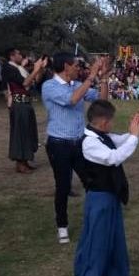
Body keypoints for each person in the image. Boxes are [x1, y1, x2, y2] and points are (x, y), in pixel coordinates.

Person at [73, 100, 139, 276]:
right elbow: (114, 157)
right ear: (103, 122)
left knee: (115, 238)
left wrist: (135, 132)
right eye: (111, 120)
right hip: (99, 198)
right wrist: (132, 137)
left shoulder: (102, 136)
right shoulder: (89, 143)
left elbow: (120, 141)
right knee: (97, 242)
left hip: (111, 195)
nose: (112, 124)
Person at [41, 53, 110, 244]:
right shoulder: (49, 86)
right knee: (63, 186)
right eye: (76, 66)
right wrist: (91, 76)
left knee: (92, 182)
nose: (78, 69)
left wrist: (102, 77)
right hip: (59, 144)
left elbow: (101, 101)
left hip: (80, 143)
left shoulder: (77, 85)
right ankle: (62, 226)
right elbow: (71, 100)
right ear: (66, 66)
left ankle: (96, 221)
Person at [3, 49, 47, 174]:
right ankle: (20, 163)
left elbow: (35, 80)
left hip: (25, 103)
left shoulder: (19, 69)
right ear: (12, 56)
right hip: (19, 104)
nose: (21, 56)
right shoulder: (9, 68)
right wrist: (35, 69)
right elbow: (25, 82)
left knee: (27, 132)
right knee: (21, 133)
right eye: (18, 54)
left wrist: (40, 69)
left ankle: (24, 161)